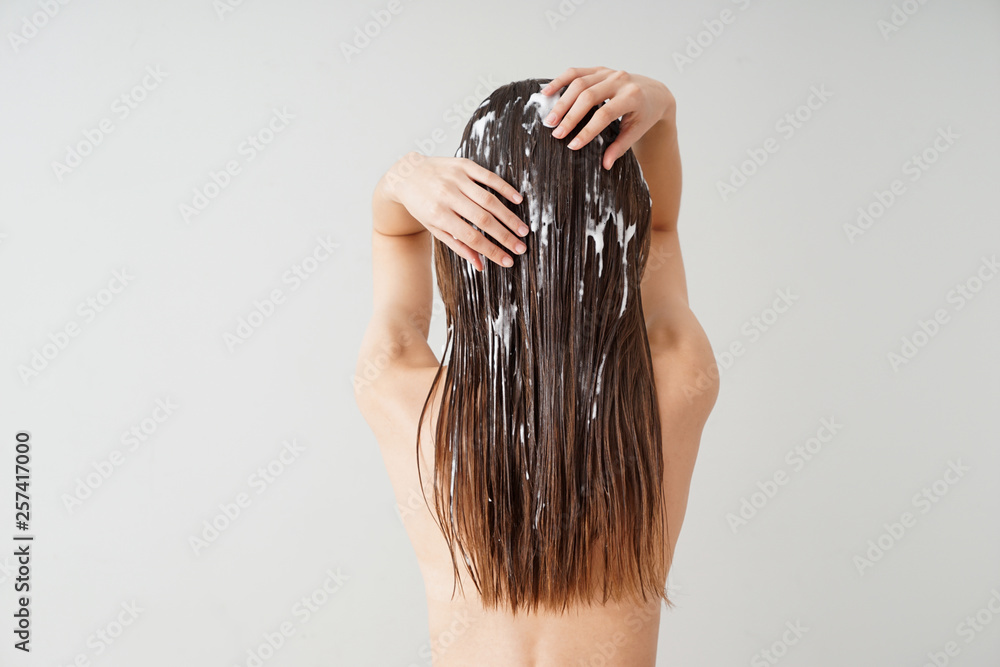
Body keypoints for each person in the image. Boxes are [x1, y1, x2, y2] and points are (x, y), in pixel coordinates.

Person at [354, 66, 719, 666]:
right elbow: (663, 227)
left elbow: (392, 236)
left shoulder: (400, 393)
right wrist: (663, 108)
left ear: (458, 236)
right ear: (617, 238)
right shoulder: (677, 383)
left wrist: (401, 180)